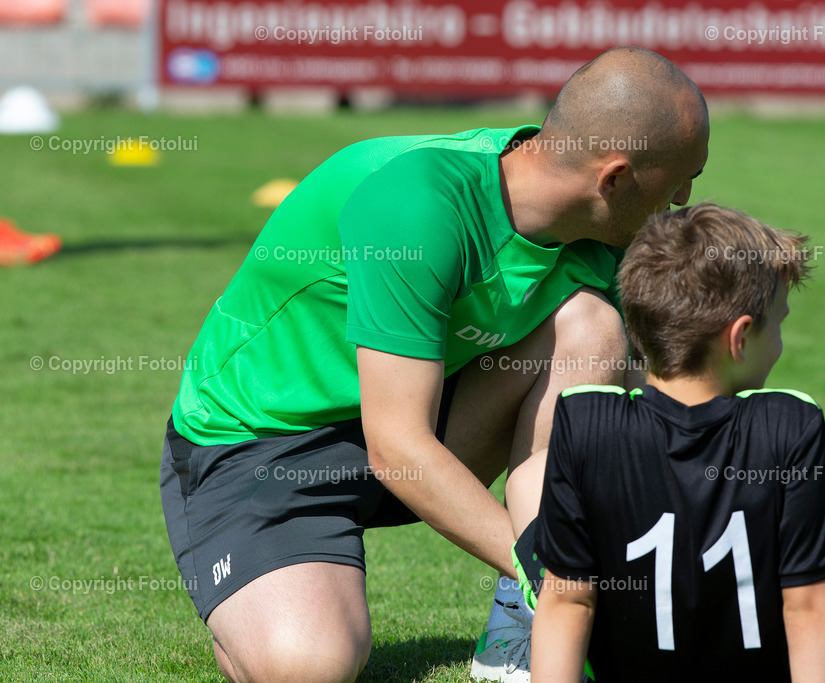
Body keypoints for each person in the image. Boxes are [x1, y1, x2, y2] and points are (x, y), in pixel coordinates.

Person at [159, 46, 709, 683]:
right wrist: (565, 582)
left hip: (416, 421)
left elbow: (654, 410)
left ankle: (523, 616)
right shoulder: (417, 205)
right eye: (678, 182)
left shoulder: (593, 231)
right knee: (309, 666)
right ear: (614, 179)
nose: (684, 198)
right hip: (261, 446)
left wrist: (742, 541)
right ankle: (536, 581)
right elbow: (398, 447)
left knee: (591, 327)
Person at [529, 203, 825, 682]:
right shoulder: (788, 427)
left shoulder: (585, 423)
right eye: (779, 322)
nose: (782, 342)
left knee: (525, 485)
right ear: (741, 338)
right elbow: (807, 607)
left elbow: (568, 600)